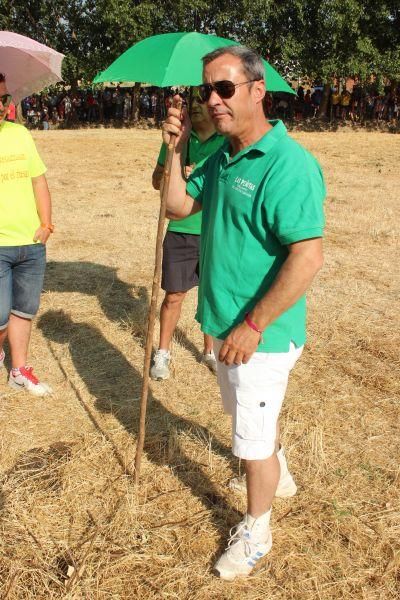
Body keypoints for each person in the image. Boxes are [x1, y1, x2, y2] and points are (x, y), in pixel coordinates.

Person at [162, 46, 325, 580]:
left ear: (258, 90)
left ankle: (257, 528)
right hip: (225, 324)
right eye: (206, 89)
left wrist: (253, 326)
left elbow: (308, 255)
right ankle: (277, 474)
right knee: (245, 422)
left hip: (261, 334)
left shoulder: (287, 163)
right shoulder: (223, 154)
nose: (213, 99)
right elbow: (178, 207)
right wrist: (177, 148)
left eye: (224, 88)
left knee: (249, 440)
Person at [150, 90, 225, 380]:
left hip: (214, 231)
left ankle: (209, 351)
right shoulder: (176, 138)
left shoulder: (226, 142)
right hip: (181, 231)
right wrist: (175, 173)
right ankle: (163, 353)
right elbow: (156, 181)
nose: (195, 107)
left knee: (211, 294)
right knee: (174, 295)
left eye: (200, 101)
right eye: (191, 101)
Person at [0, 72, 53, 396]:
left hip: (31, 244)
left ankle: (18, 370)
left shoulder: (20, 134)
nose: (0, 105)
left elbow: (38, 180)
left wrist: (46, 224)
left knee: (24, 310)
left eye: (3, 98)